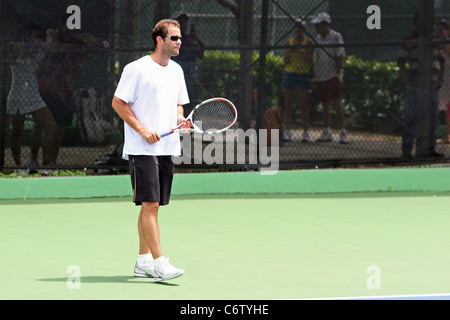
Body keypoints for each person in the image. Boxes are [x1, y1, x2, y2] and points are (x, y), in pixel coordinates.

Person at [111, 19, 190, 282]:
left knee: (152, 207)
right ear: (159, 40)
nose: (179, 42)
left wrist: (180, 118)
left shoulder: (177, 71)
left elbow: (179, 105)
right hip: (142, 148)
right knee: (150, 203)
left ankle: (142, 261)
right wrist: (143, 130)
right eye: (174, 38)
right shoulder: (136, 69)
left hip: (167, 146)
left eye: (180, 38)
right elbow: (118, 103)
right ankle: (159, 263)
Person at [33, 14, 108, 166]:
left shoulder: (81, 39)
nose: (71, 28)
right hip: (47, 88)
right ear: (62, 26)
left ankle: (51, 162)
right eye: (68, 25)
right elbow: (51, 45)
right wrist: (77, 46)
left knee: (60, 127)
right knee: (42, 125)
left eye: (75, 25)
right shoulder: (54, 34)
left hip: (66, 90)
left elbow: (104, 44)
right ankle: (35, 159)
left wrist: (94, 43)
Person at [6, 24, 58, 168]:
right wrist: (31, 45)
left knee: (51, 126)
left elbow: (51, 44)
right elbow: (13, 46)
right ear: (27, 37)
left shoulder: (39, 49)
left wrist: (49, 33)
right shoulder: (17, 48)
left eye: (39, 37)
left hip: (33, 95)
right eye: (35, 36)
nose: (38, 39)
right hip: (17, 94)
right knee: (17, 131)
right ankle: (18, 167)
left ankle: (45, 164)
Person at [397, 13, 445, 158]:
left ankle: (430, 148)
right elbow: (401, 61)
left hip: (432, 84)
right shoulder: (410, 40)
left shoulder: (435, 40)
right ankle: (407, 149)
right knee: (411, 117)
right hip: (415, 85)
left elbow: (441, 60)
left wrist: (441, 77)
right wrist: (409, 77)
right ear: (416, 23)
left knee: (432, 118)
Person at [311, 12, 348, 144]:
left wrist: (338, 74)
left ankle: (343, 132)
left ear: (326, 24)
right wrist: (316, 76)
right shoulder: (318, 38)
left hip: (333, 75)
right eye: (315, 25)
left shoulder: (336, 36)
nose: (316, 27)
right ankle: (327, 131)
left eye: (318, 24)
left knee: (337, 104)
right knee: (325, 104)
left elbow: (340, 56)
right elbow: (317, 59)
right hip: (322, 75)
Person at [281, 18, 313, 142]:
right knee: (288, 104)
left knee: (303, 105)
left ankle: (305, 132)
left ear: (304, 29)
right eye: (296, 27)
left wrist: (300, 50)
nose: (298, 30)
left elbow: (309, 60)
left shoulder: (308, 42)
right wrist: (290, 50)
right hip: (290, 73)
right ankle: (287, 131)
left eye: (301, 27)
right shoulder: (289, 42)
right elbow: (285, 60)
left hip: (303, 74)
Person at [170, 11, 204, 114]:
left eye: (185, 21)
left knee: (188, 105)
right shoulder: (169, 38)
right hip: (172, 76)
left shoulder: (191, 38)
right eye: (180, 21)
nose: (183, 24)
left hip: (189, 77)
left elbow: (200, 55)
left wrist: (194, 41)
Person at [436, 19, 450, 144]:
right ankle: (448, 136)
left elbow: (446, 53)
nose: (439, 32)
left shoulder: (447, 43)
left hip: (449, 75)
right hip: (441, 76)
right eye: (438, 29)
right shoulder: (435, 43)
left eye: (442, 29)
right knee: (446, 107)